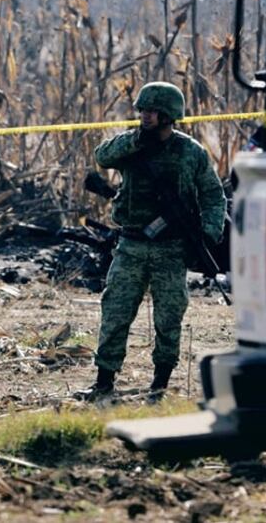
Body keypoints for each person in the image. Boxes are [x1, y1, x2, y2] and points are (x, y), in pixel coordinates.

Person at [76, 82, 226, 402]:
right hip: (130, 244)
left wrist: (208, 232)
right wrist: (134, 141)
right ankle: (103, 381)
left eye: (153, 111)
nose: (146, 115)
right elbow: (102, 156)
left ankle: (159, 385)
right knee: (115, 312)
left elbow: (213, 194)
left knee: (169, 317)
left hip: (171, 248)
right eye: (143, 109)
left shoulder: (191, 152)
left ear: (170, 115)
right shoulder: (131, 146)